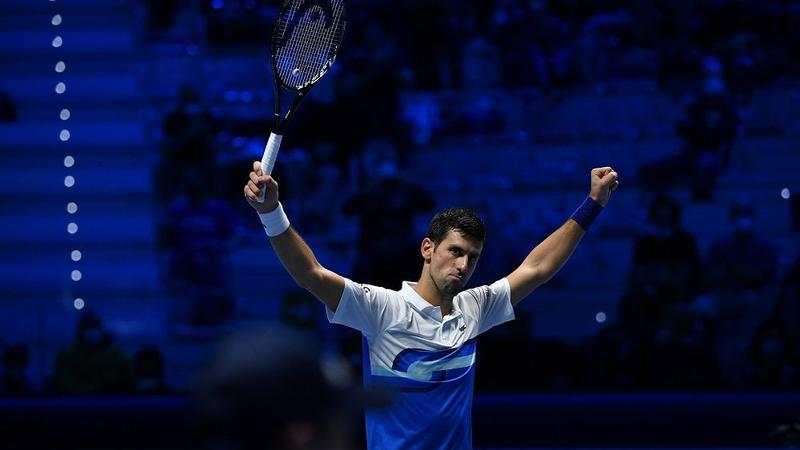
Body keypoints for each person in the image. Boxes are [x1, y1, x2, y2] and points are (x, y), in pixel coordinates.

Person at [244, 163, 618, 449]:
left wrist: (593, 203)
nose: (463, 265)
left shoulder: (475, 309)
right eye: (455, 252)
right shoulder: (381, 309)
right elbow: (310, 273)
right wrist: (271, 212)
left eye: (472, 258)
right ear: (428, 249)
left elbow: (538, 267)